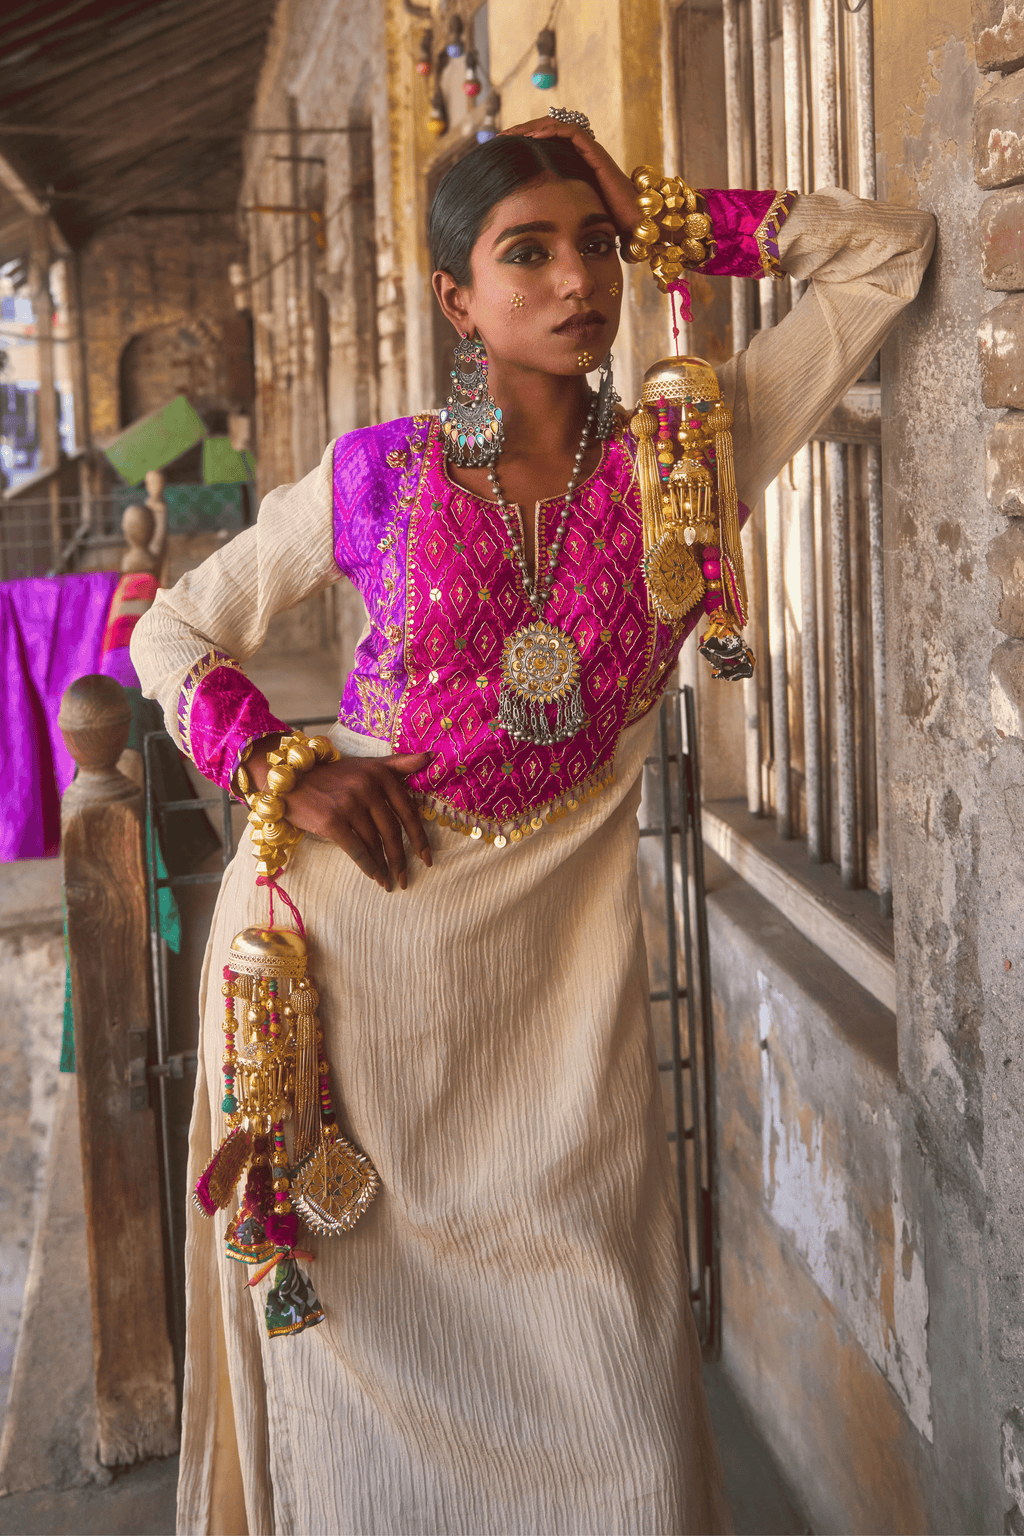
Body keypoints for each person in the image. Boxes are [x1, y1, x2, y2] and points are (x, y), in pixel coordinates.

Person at [132, 113, 934, 1536]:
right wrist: (281, 765)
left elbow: (886, 261)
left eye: (596, 245)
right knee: (369, 1413)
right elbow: (179, 631)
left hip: (555, 1033)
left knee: (617, 1400)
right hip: (353, 1000)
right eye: (528, 254)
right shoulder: (384, 476)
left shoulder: (692, 451)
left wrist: (670, 206)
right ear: (457, 299)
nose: (578, 280)